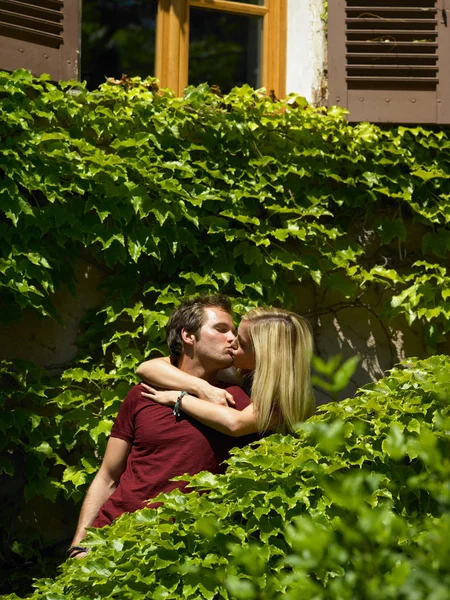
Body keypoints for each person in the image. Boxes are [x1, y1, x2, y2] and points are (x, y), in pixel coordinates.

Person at [68, 295, 258, 559]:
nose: (232, 339)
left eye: (235, 332)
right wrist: (80, 542)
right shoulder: (143, 393)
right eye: (221, 329)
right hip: (112, 537)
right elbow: (108, 476)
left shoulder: (240, 401)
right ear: (188, 336)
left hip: (181, 550)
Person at [138, 307, 315, 437]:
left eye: (242, 344)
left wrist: (179, 398)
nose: (232, 342)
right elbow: (147, 368)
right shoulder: (237, 372)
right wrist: (201, 387)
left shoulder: (282, 398)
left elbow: (235, 424)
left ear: (265, 356)